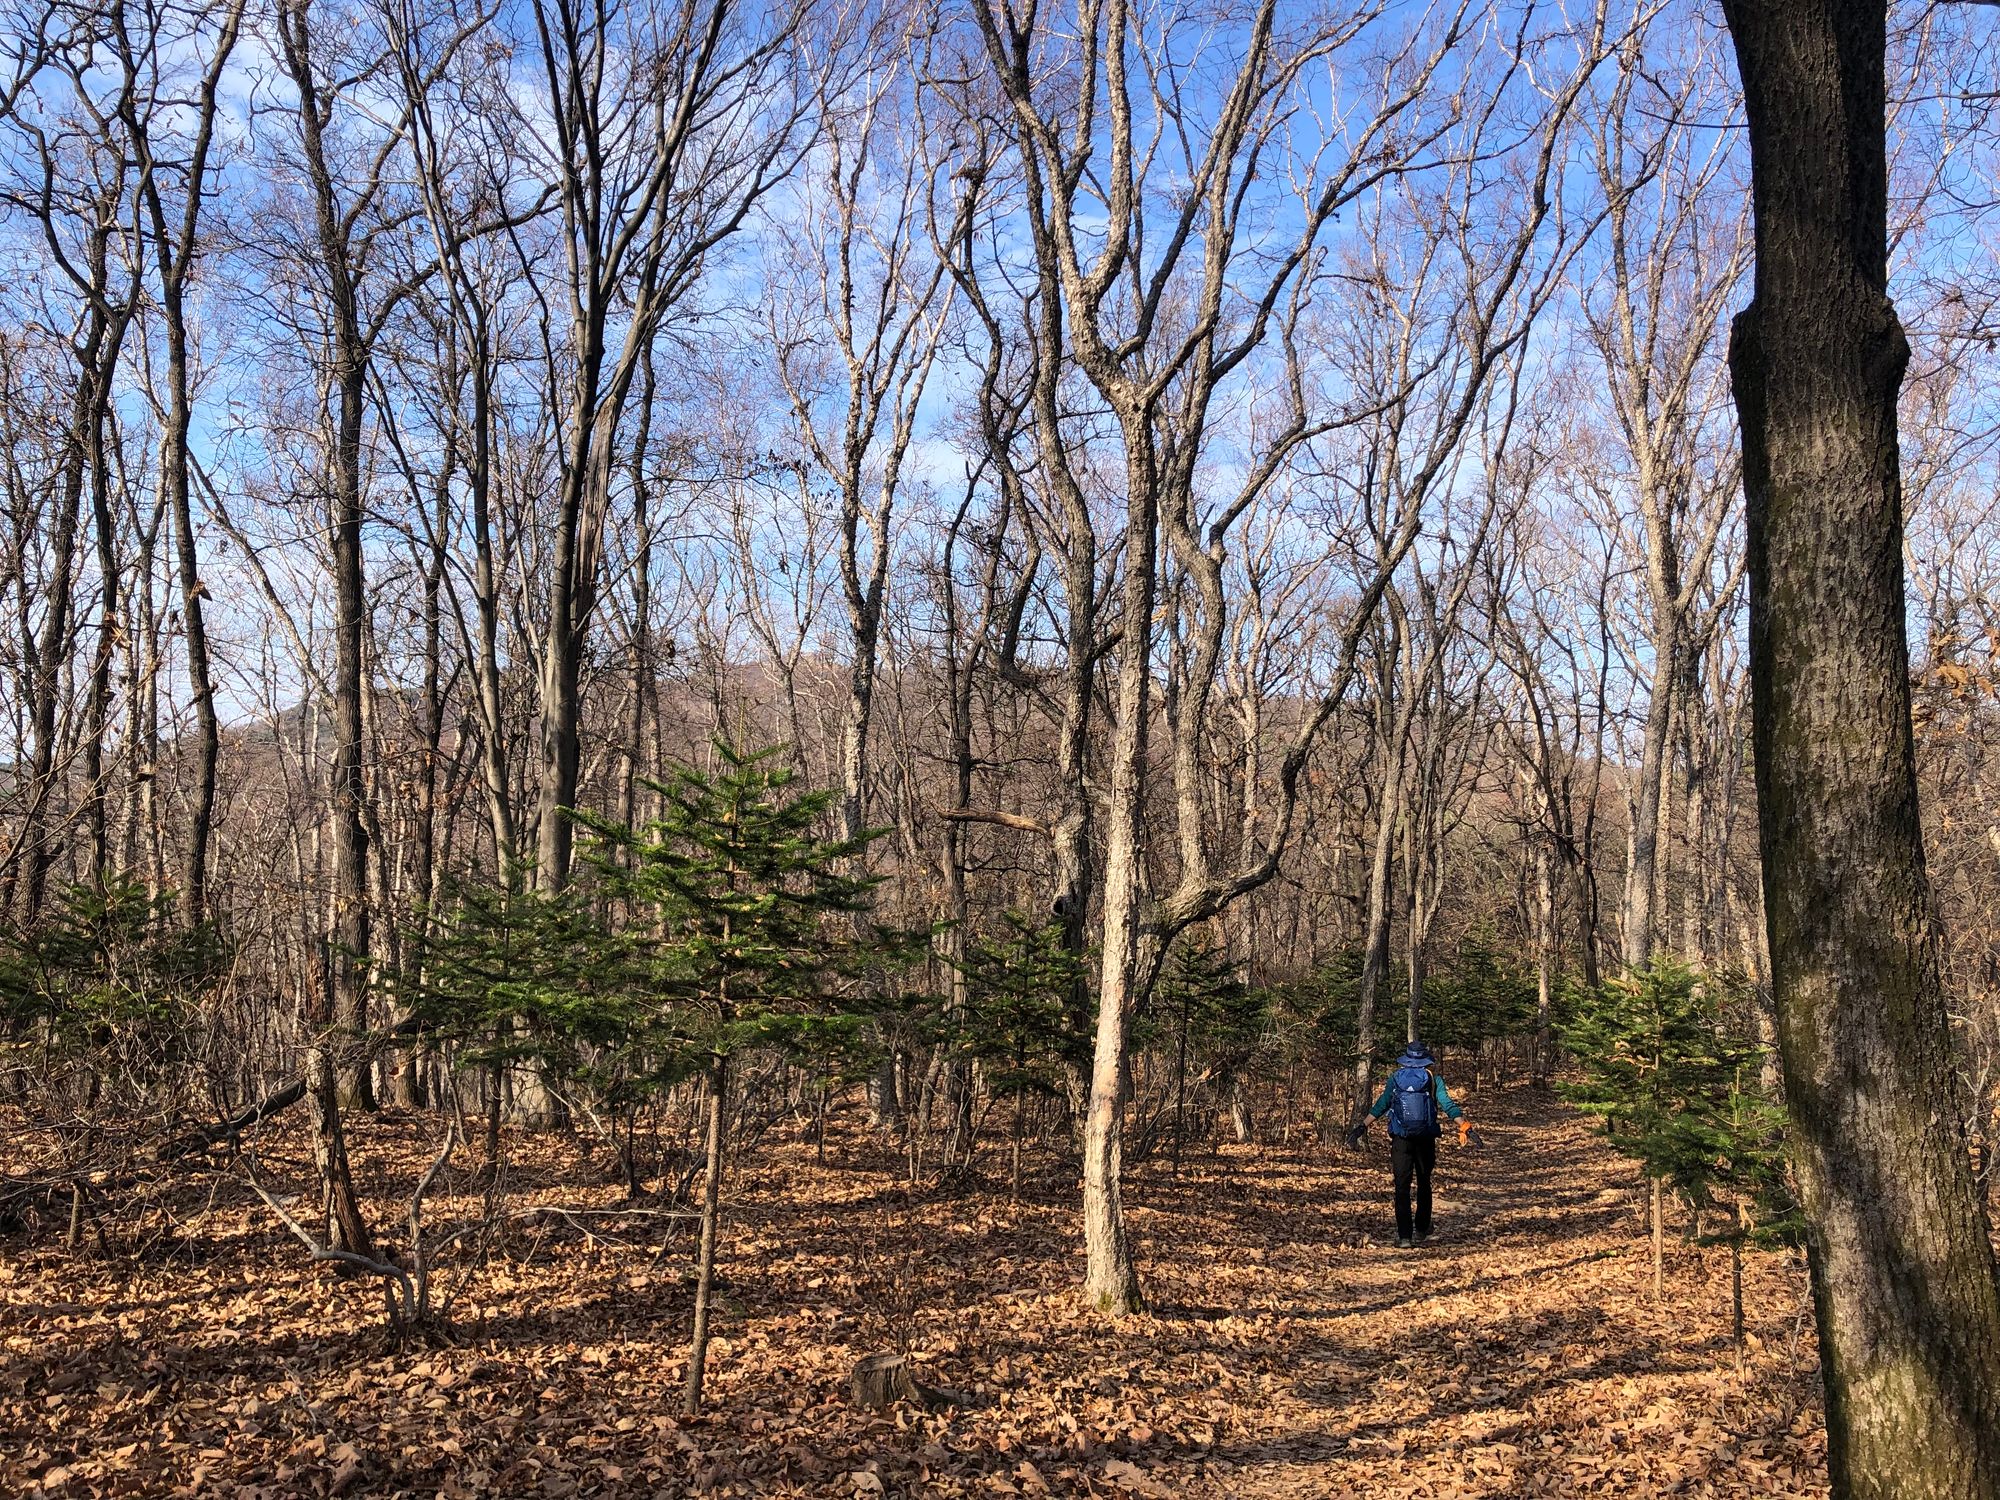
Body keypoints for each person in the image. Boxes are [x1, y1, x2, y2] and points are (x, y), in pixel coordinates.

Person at [1345, 1040, 1468, 1248]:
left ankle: (1404, 1237)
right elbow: (1447, 1104)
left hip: (1401, 1139)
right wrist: (1464, 1125)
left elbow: (1382, 1104)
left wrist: (1362, 1126)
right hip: (1425, 1138)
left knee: (1401, 1187)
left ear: (1407, 1058)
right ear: (1425, 1059)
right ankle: (1421, 1229)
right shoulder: (1433, 1079)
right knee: (1424, 1182)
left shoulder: (1396, 1078)